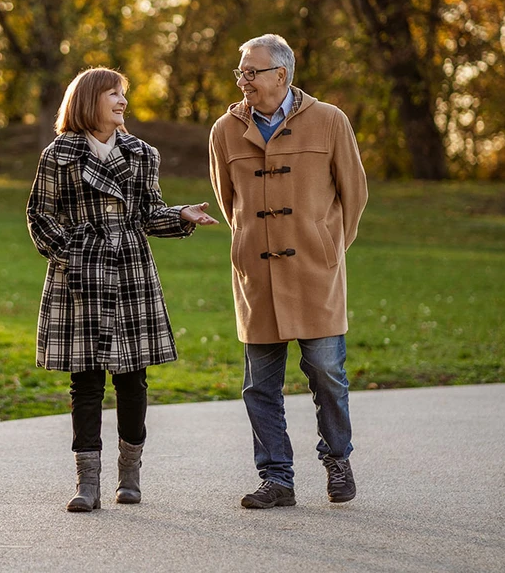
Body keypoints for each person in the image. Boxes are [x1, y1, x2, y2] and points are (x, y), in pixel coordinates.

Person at [26, 67, 218, 512]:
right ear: (88, 100)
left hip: (130, 271)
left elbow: (149, 214)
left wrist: (181, 215)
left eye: (123, 93)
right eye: (113, 93)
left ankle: (129, 475)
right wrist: (74, 251)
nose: (122, 101)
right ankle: (86, 484)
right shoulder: (58, 155)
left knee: (133, 378)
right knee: (86, 382)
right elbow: (40, 215)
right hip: (81, 276)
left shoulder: (140, 153)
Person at [208, 34, 368, 509]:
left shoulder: (329, 121)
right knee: (260, 384)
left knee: (326, 372)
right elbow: (228, 200)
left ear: (281, 74)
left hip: (316, 272)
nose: (243, 80)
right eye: (241, 72)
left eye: (250, 72)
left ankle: (337, 459)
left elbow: (354, 194)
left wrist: (328, 247)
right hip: (256, 275)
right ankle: (276, 478)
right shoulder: (224, 130)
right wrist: (246, 244)